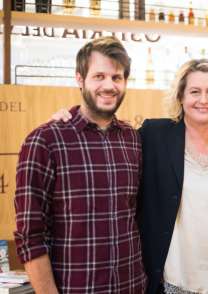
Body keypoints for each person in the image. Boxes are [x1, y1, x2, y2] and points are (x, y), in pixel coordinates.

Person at [14, 36, 146, 293]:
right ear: (79, 79)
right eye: (99, 76)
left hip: (132, 286)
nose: (109, 86)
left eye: (117, 77)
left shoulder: (133, 139)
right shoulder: (45, 141)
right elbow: (30, 236)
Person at [138, 59, 208, 294]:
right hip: (170, 283)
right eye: (194, 92)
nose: (204, 100)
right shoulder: (154, 136)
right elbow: (112, 142)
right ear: (180, 97)